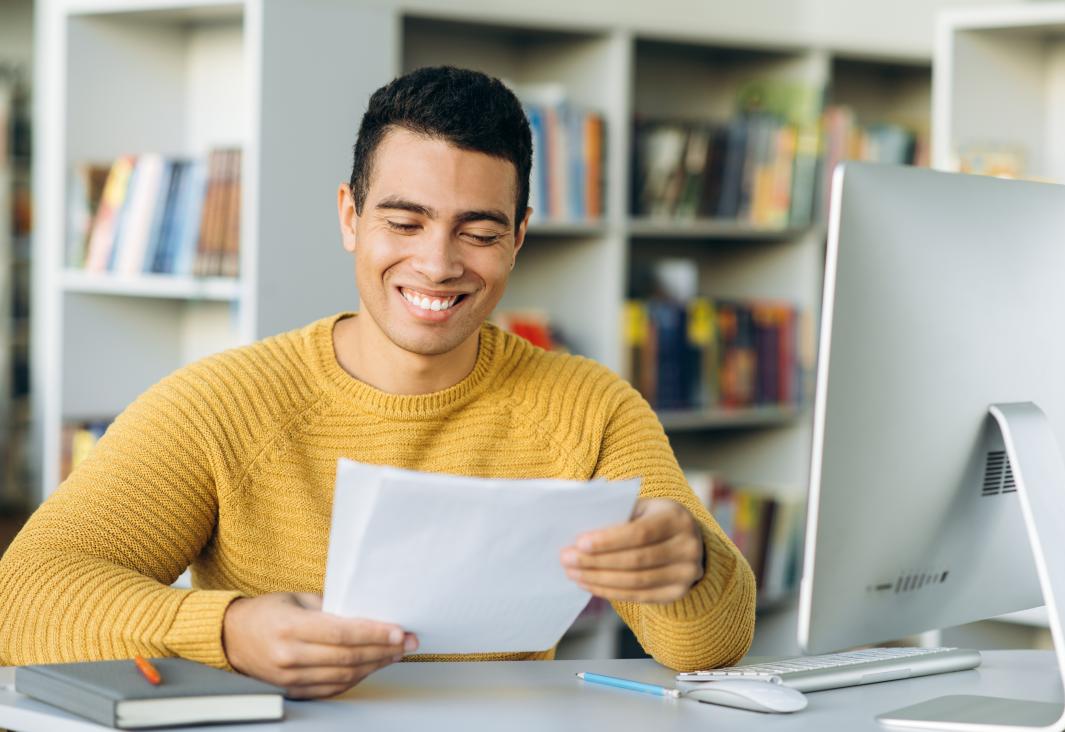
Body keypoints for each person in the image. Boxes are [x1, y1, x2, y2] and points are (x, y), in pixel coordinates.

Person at [0, 66, 755, 699]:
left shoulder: (587, 406)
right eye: (404, 222)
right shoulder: (223, 403)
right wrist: (227, 631)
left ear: (519, 237)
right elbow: (21, 599)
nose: (437, 263)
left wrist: (686, 565)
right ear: (350, 216)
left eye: (480, 232)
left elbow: (711, 649)